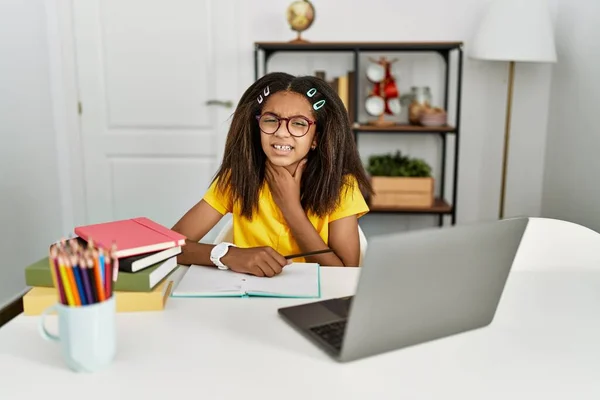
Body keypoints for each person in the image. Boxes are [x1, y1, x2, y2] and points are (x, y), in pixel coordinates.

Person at [172, 72, 373, 277]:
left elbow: (346, 275)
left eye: (299, 123)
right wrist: (227, 255)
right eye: (271, 120)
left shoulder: (341, 186)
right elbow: (165, 247)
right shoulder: (238, 178)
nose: (281, 132)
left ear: (316, 138)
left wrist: (291, 208)